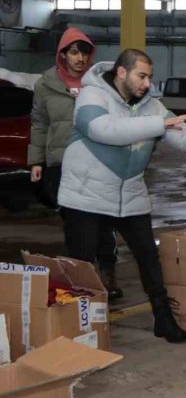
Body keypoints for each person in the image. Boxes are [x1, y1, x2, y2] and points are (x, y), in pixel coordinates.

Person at [57, 49, 186, 343]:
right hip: (86, 194)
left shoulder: (151, 106)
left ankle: (163, 319)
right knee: (81, 263)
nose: (147, 83)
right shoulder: (91, 95)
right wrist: (161, 124)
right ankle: (74, 327)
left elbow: (181, 132)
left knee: (148, 256)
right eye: (142, 76)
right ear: (122, 72)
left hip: (130, 193)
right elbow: (103, 129)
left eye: (149, 77)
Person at [27, 29, 123, 300]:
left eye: (84, 52)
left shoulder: (103, 83)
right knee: (74, 222)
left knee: (103, 220)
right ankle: (80, 275)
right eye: (74, 52)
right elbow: (39, 122)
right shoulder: (45, 84)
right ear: (63, 54)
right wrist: (36, 160)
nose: (80, 58)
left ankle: (108, 274)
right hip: (62, 162)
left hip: (98, 161)